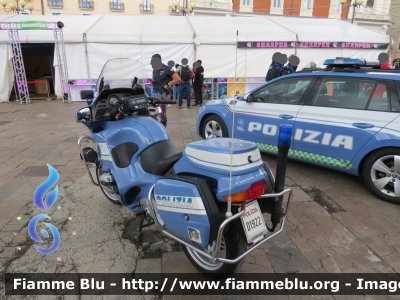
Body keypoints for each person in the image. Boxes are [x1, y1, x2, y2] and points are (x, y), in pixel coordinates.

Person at [150, 54, 181, 127]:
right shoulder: (154, 70)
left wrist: (169, 84)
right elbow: (155, 82)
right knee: (153, 113)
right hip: (154, 93)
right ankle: (156, 128)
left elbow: (177, 78)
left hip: (162, 95)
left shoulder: (167, 69)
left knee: (162, 114)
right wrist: (152, 81)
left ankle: (163, 129)